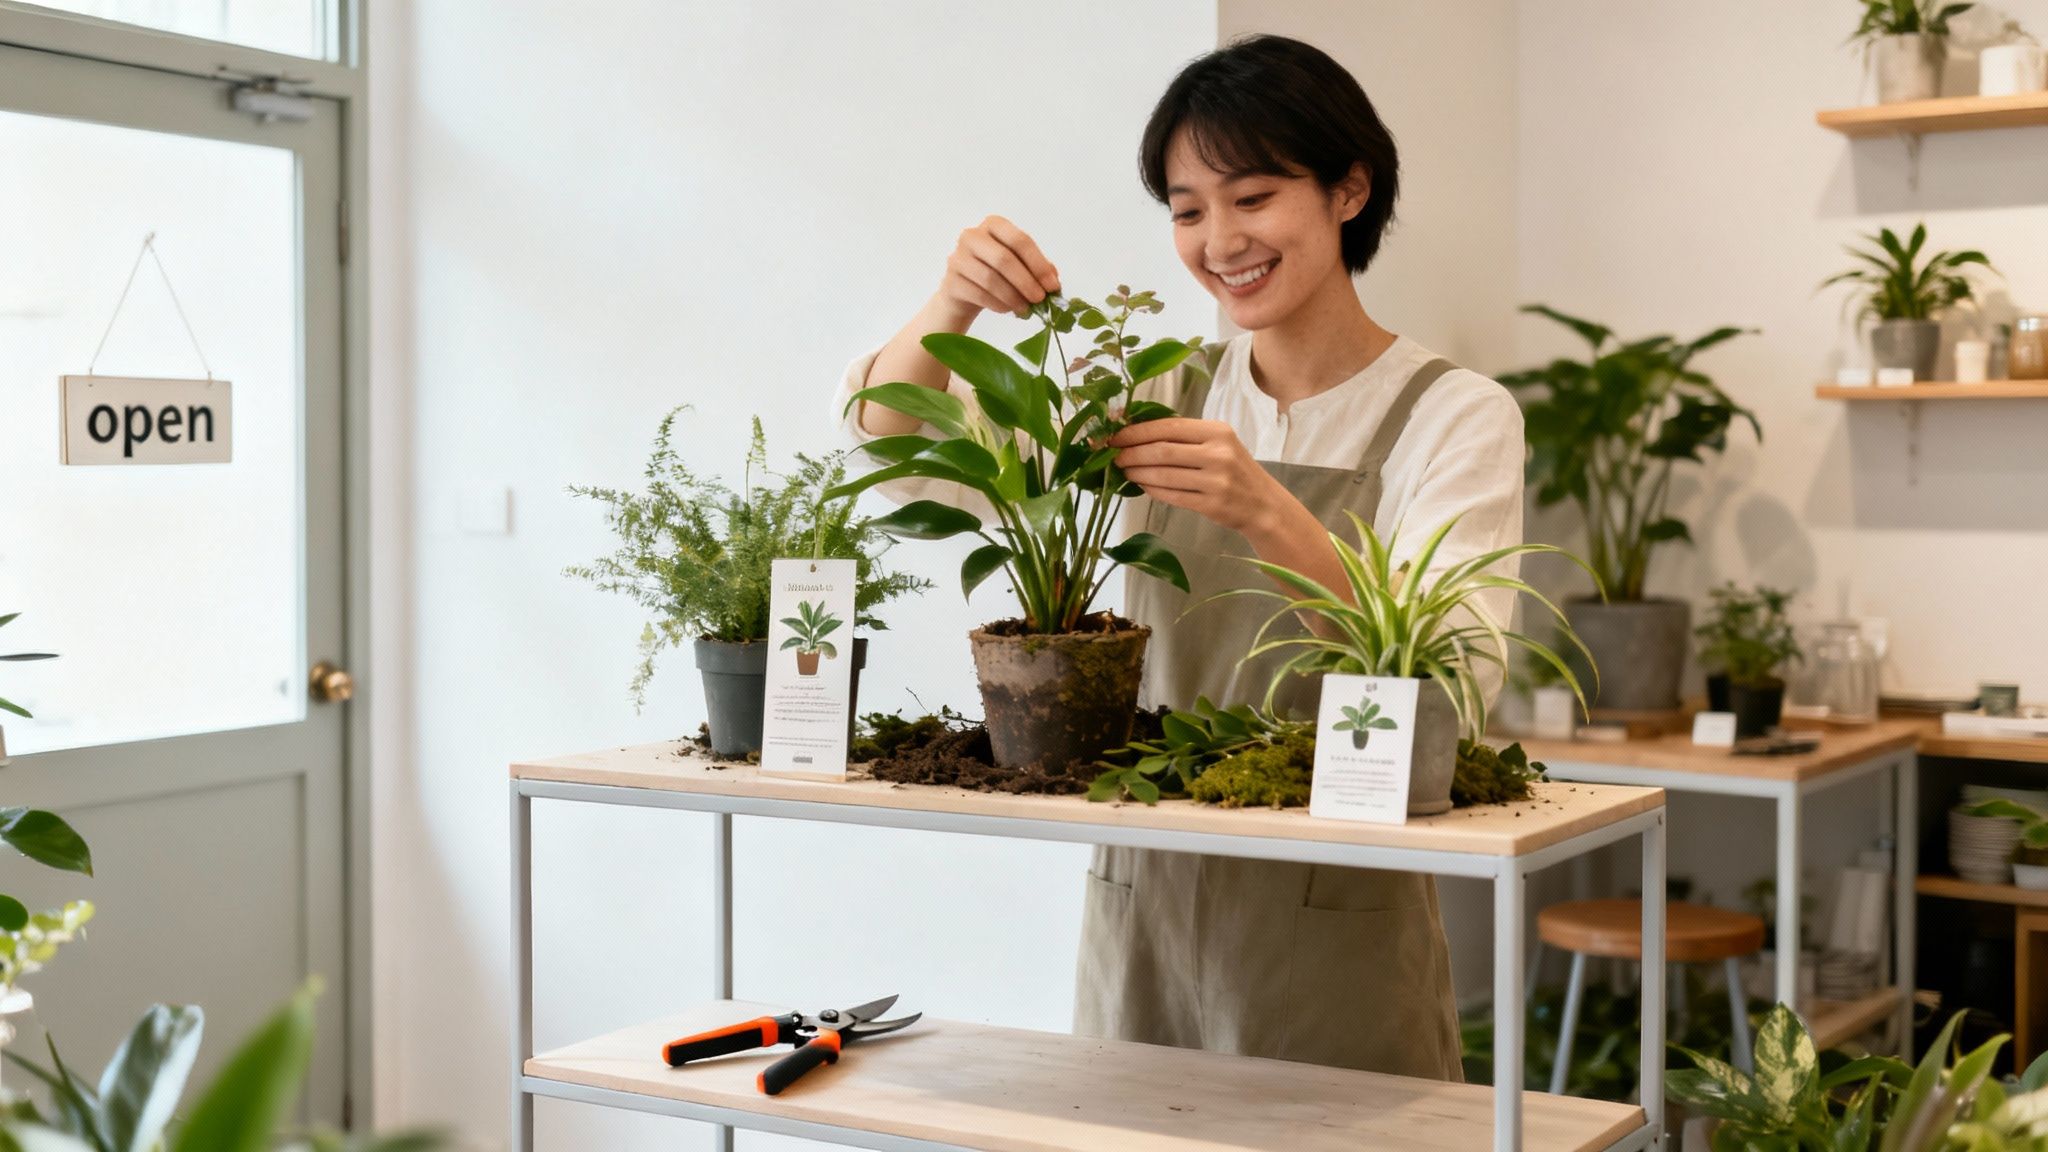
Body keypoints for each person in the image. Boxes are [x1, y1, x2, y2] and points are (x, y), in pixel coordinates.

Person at [825, 34, 1524, 1079]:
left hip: (1337, 914)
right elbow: (900, 447)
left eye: (1250, 197)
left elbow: (1451, 672)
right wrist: (953, 304)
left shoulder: (1452, 415)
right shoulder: (1162, 391)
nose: (1217, 239)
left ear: (1348, 190)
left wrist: (1266, 511)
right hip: (1143, 893)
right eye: (1187, 209)